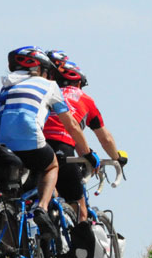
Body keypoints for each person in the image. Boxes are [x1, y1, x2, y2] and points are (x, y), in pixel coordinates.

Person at [0, 47, 96, 237]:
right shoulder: (49, 86)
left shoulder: (7, 86)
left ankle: (7, 236)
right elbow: (71, 125)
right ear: (40, 70)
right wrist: (87, 153)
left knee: (14, 192)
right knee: (51, 166)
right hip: (29, 139)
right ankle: (42, 208)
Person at [42, 58, 127, 222]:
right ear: (79, 83)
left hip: (36, 145)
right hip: (62, 146)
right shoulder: (85, 99)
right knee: (80, 209)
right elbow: (105, 138)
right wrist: (117, 158)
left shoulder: (47, 94)